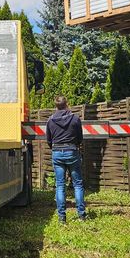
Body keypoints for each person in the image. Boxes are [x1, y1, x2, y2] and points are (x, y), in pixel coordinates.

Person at [45, 95, 86, 223]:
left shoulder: (50, 121)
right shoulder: (75, 119)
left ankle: (62, 217)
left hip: (57, 153)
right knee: (77, 184)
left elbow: (49, 140)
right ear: (66, 104)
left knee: (60, 185)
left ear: (56, 105)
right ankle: (81, 215)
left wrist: (55, 148)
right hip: (72, 152)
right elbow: (80, 137)